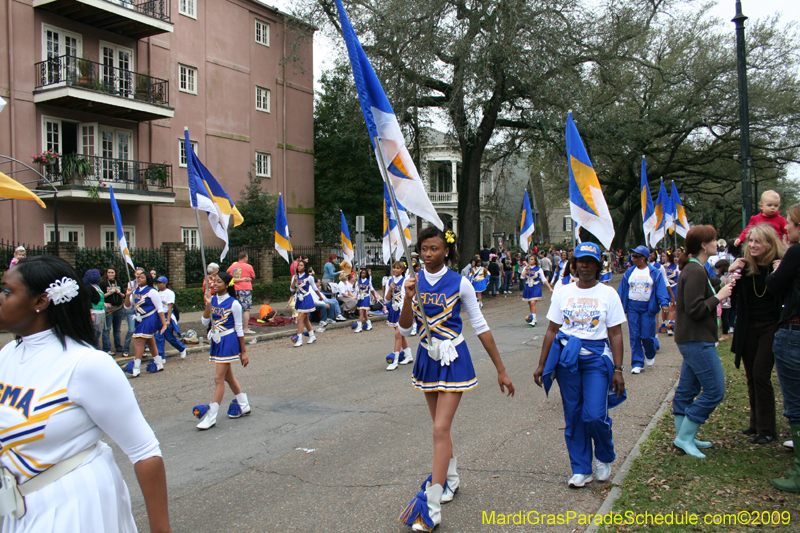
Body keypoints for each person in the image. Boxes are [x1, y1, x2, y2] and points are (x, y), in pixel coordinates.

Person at [0, 256, 171, 531]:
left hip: (73, 508)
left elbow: (144, 450)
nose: (1, 297)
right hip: (16, 506)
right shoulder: (7, 355)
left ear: (41, 301)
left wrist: (161, 530)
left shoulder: (86, 364)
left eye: (8, 291)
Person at [398, 228, 514, 532]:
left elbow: (480, 324)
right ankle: (450, 479)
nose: (427, 254)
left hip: (453, 358)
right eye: (423, 249)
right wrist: (408, 298)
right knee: (440, 427)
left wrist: (500, 369)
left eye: (434, 249)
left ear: (446, 251)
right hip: (426, 357)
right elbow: (405, 329)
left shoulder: (460, 283)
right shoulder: (412, 281)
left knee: (440, 428)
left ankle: (432, 508)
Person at [534, 242, 626, 488]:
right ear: (574, 265)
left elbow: (615, 334)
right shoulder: (563, 292)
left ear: (598, 265)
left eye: (590, 261)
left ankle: (604, 456)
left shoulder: (608, 294)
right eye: (580, 261)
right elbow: (552, 329)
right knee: (573, 415)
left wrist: (618, 369)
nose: (585, 265)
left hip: (596, 359)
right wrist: (542, 364)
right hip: (568, 361)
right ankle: (581, 468)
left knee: (594, 415)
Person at [672, 225, 733, 459]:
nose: (717, 243)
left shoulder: (696, 268)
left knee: (687, 390)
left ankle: (684, 437)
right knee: (715, 390)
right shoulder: (695, 270)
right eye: (714, 240)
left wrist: (719, 285)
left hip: (692, 339)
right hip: (696, 340)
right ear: (703, 245)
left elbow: (700, 294)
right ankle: (684, 437)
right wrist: (720, 296)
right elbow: (695, 309)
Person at [728, 224, 784, 444]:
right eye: (750, 241)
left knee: (761, 374)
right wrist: (731, 272)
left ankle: (768, 429)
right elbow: (731, 295)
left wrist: (781, 273)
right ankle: (756, 424)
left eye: (757, 241)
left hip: (771, 326)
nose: (752, 245)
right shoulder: (745, 267)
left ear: (769, 244)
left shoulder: (778, 267)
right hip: (748, 326)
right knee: (751, 376)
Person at [766, 205, 800, 491]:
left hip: (794, 333)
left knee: (796, 404)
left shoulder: (797, 252)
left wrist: (778, 268)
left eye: (789, 223)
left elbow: (775, 285)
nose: (785, 228)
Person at [194, 271, 250, 430]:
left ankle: (211, 416)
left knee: (218, 378)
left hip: (229, 341)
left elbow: (239, 329)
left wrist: (243, 351)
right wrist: (208, 304)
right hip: (217, 341)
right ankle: (243, 404)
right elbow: (205, 322)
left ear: (227, 285)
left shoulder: (234, 304)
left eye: (218, 282)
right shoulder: (213, 301)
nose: (214, 284)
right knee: (228, 377)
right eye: (214, 282)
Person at [617, 245, 670, 374]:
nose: (633, 258)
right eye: (632, 256)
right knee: (634, 335)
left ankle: (650, 352)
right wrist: (618, 305)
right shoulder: (629, 272)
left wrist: (664, 303)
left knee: (646, 335)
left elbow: (661, 289)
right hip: (632, 307)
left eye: (636, 256)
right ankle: (637, 363)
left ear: (644, 258)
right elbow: (622, 289)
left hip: (648, 308)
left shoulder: (654, 273)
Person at [123, 268, 168, 377]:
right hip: (140, 319)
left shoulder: (152, 291)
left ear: (147, 280)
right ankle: (158, 362)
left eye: (142, 277)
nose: (139, 279)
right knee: (149, 340)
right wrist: (128, 295)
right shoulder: (135, 291)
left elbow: (160, 309)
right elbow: (127, 307)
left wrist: (164, 324)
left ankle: (136, 367)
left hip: (150, 318)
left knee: (139, 341)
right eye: (138, 277)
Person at [385, 260, 412, 370]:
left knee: (398, 334)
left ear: (402, 270)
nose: (395, 270)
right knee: (401, 335)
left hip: (402, 310)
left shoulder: (405, 280)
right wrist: (390, 289)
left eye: (398, 268)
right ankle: (408, 355)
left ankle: (394, 360)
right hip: (393, 310)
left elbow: (408, 296)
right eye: (394, 267)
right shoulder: (389, 281)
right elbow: (387, 299)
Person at [291, 260, 323, 347]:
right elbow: (292, 289)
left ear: (305, 267)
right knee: (306, 320)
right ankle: (312, 335)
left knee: (300, 319)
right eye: (299, 265)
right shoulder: (295, 276)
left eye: (301, 265)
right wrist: (295, 281)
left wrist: (320, 296)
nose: (299, 267)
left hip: (307, 299)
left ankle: (299, 339)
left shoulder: (309, 277)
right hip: (299, 299)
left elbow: (315, 288)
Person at [155, 276, 187, 359]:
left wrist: (168, 320)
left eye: (160, 283)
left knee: (169, 337)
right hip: (159, 315)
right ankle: (161, 356)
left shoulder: (170, 293)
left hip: (166, 315)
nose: (158, 284)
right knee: (159, 336)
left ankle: (182, 348)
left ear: (165, 283)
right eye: (157, 283)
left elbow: (170, 307)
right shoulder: (157, 293)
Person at [227, 251, 257, 334]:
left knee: (234, 308)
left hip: (234, 289)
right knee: (246, 309)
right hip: (245, 288)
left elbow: (228, 275)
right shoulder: (248, 266)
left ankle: (234, 327)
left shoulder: (233, 266)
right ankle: (245, 328)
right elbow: (253, 276)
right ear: (245, 257)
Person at [99, 265, 125, 356]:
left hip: (119, 308)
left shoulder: (119, 283)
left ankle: (118, 346)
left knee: (117, 329)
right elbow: (100, 297)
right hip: (109, 309)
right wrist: (110, 292)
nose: (110, 274)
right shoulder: (103, 284)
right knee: (106, 329)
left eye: (112, 272)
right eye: (109, 272)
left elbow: (123, 296)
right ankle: (107, 348)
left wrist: (119, 293)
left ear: (115, 273)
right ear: (106, 273)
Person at [520, 254, 552, 326]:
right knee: (529, 303)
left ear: (535, 261)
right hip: (528, 286)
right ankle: (533, 316)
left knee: (533, 302)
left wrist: (550, 288)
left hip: (536, 286)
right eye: (529, 259)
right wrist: (525, 269)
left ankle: (533, 319)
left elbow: (544, 279)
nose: (530, 261)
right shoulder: (526, 268)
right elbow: (522, 277)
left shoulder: (539, 269)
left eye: (532, 259)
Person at [83, 268, 106, 349]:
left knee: (98, 332)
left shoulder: (96, 286)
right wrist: (91, 314)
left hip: (100, 311)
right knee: (94, 333)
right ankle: (93, 348)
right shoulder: (88, 287)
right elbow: (88, 301)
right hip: (94, 312)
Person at [714, 260, 732, 341]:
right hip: (724, 300)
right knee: (724, 317)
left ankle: (725, 334)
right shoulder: (724, 276)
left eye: (718, 269)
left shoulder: (726, 277)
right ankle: (725, 332)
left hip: (725, 301)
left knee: (724, 317)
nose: (717, 271)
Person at [354, 268, 373, 333]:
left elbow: (372, 289)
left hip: (366, 297)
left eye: (364, 273)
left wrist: (376, 297)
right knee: (364, 312)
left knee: (361, 311)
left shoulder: (368, 281)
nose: (362, 274)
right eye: (362, 273)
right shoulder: (358, 281)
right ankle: (369, 324)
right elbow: (356, 289)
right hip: (360, 297)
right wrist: (359, 295)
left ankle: (359, 327)